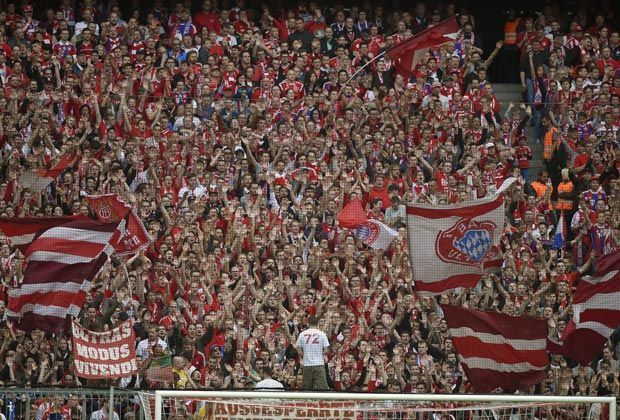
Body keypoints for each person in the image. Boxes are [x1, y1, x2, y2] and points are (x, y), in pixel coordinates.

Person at [295, 317, 330, 390]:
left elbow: (299, 351)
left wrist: (306, 356)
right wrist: (320, 354)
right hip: (319, 364)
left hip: (307, 365)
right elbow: (326, 350)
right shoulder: (322, 334)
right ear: (318, 324)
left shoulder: (302, 334)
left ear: (308, 324)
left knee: (307, 389)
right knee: (322, 388)